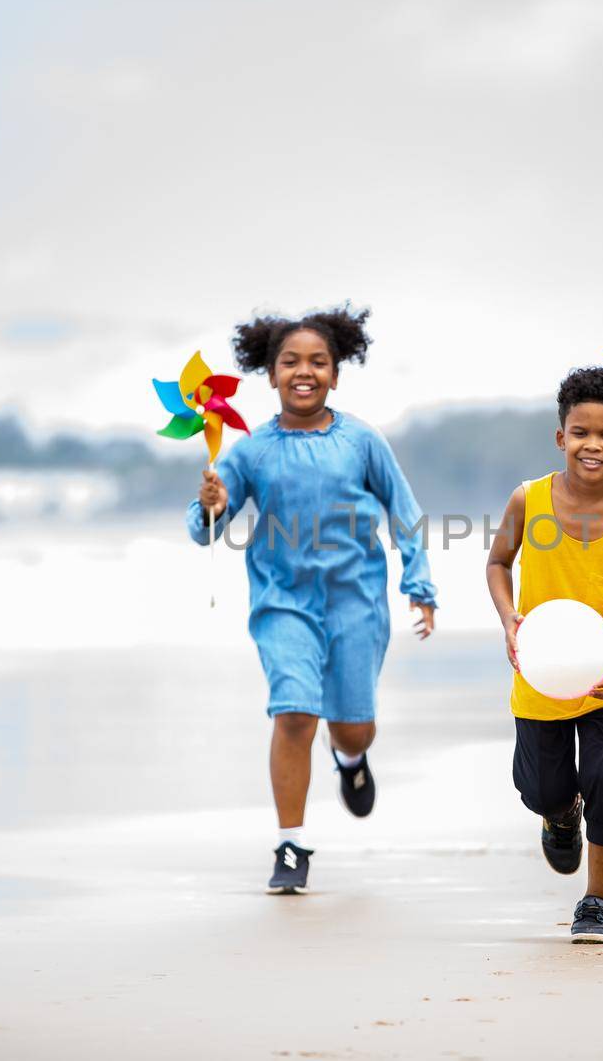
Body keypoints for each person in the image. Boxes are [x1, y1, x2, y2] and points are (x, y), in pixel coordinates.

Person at [189, 304, 437, 895]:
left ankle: (350, 760)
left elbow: (405, 514)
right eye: (291, 362)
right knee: (295, 712)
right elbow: (205, 530)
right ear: (270, 374)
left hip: (357, 602)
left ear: (336, 373)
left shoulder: (362, 441)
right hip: (283, 603)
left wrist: (420, 585)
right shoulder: (246, 452)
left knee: (353, 728)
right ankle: (292, 845)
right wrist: (209, 503)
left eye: (318, 362)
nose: (305, 371)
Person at [487, 366, 603, 942]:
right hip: (538, 676)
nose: (594, 445)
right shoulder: (528, 499)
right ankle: (560, 816)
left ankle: (597, 901)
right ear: (560, 436)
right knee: (541, 789)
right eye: (581, 432)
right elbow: (497, 563)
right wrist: (509, 616)